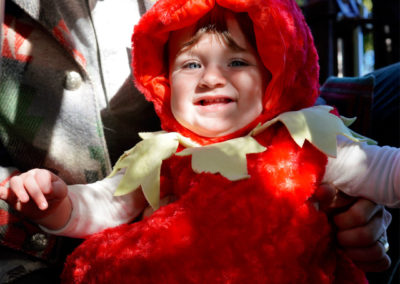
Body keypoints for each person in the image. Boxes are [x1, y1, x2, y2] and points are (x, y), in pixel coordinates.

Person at [1, 0, 398, 282]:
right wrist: (57, 204)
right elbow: (105, 203)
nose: (211, 77)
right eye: (191, 64)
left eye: (237, 62)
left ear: (275, 75)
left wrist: (355, 204)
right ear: (164, 80)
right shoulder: (163, 151)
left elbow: (380, 170)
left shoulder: (301, 138)